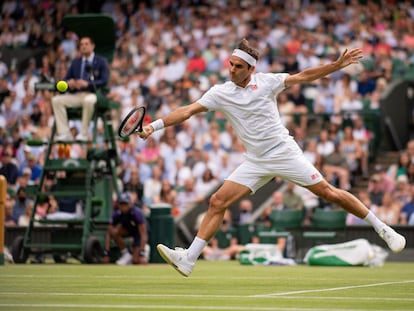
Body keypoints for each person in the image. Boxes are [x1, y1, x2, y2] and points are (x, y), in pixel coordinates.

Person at [139, 38, 406, 277]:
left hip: (283, 153)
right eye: (230, 65)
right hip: (255, 161)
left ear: (250, 69)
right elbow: (187, 111)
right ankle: (188, 259)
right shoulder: (220, 92)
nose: (232, 70)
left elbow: (304, 76)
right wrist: (155, 126)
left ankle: (382, 228)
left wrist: (336, 66)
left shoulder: (267, 82)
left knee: (329, 193)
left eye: (238, 67)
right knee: (217, 201)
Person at [51, 36, 109, 141]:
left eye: (86, 44)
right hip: (77, 94)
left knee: (88, 100)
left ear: (92, 46)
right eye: (81, 44)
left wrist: (88, 84)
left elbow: (104, 81)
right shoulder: (76, 62)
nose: (83, 46)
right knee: (56, 100)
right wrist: (70, 83)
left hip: (93, 94)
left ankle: (83, 133)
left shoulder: (100, 61)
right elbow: (66, 80)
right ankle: (64, 133)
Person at [102, 192, 148, 265]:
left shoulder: (136, 213)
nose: (123, 207)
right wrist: (106, 253)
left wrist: (141, 253)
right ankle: (126, 254)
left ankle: (144, 250)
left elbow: (143, 234)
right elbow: (109, 231)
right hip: (127, 230)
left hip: (138, 234)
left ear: (130, 204)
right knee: (113, 231)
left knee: (136, 261)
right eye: (121, 204)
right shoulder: (116, 213)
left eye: (125, 204)